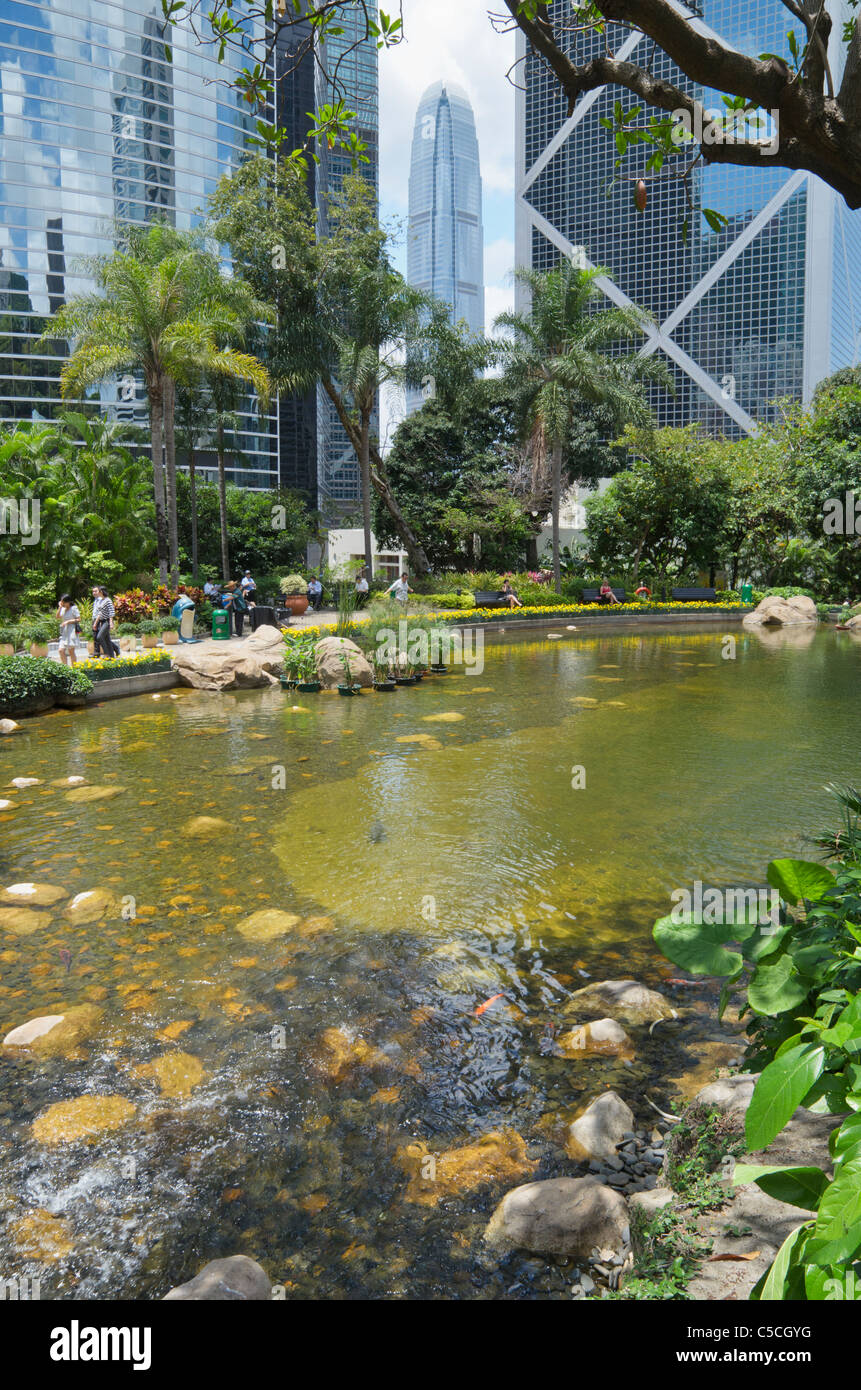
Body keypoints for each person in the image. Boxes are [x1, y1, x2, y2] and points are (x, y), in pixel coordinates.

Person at [91, 586, 119, 656]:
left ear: (102, 592)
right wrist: (96, 623)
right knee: (107, 640)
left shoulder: (108, 600)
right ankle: (111, 656)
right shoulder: (102, 601)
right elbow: (100, 613)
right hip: (102, 621)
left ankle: (106, 653)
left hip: (107, 622)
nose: (98, 593)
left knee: (99, 637)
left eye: (99, 591)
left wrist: (111, 622)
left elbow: (111, 612)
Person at [56, 594, 80, 666]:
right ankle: (65, 667)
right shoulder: (63, 609)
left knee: (71, 651)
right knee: (61, 650)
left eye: (64, 602)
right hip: (64, 631)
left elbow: (79, 619)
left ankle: (74, 668)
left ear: (68, 602)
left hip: (71, 631)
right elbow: (57, 616)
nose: (62, 603)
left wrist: (68, 621)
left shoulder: (74, 608)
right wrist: (60, 607)